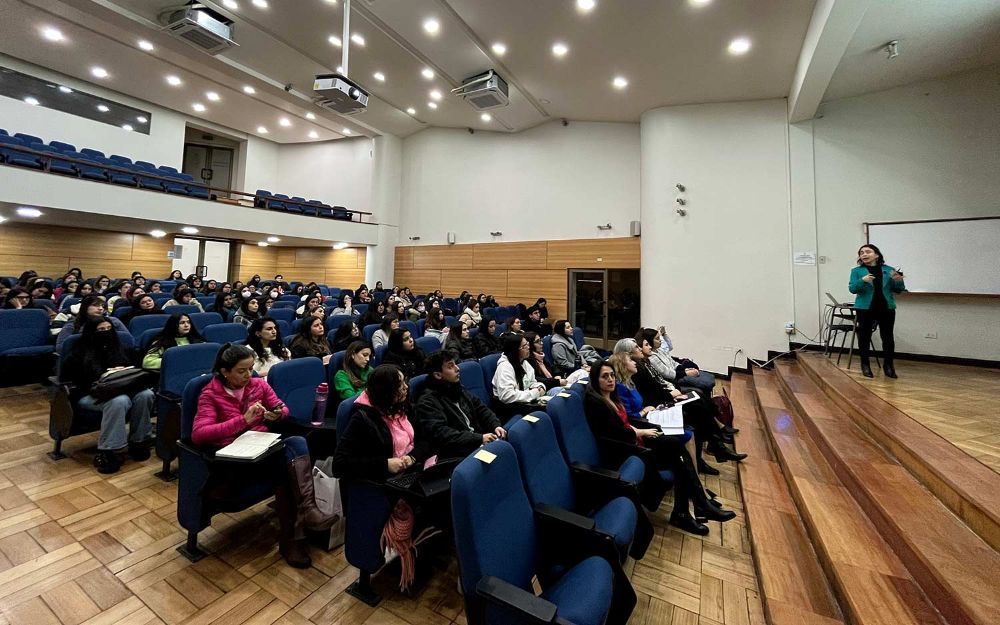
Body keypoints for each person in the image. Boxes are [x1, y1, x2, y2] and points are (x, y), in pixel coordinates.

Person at [192, 343, 335, 567]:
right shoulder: (210, 394)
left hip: (262, 449)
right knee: (289, 472)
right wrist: (243, 421)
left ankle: (303, 519)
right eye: (241, 371)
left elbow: (283, 408)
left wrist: (275, 414)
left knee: (295, 446)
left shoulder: (258, 385)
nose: (249, 375)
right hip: (234, 460)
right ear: (224, 371)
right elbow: (200, 434)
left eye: (250, 369)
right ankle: (296, 534)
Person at [583, 360, 735, 536]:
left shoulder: (612, 396)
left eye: (612, 375)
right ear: (596, 380)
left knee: (678, 451)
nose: (610, 380)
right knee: (677, 456)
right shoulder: (596, 403)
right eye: (604, 377)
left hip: (633, 441)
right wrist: (642, 432)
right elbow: (616, 434)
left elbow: (624, 424)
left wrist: (640, 431)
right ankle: (694, 507)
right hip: (625, 451)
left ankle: (692, 507)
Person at [331, 364, 438, 590]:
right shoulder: (363, 418)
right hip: (387, 483)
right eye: (400, 384)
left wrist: (412, 458)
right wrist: (384, 465)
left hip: (413, 470)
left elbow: (426, 440)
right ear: (386, 390)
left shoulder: (402, 406)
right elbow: (340, 465)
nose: (406, 387)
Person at [63, 317, 155, 474]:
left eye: (108, 329)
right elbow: (78, 381)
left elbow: (133, 371)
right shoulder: (79, 353)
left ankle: (139, 440)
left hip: (122, 390)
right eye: (101, 330)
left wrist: (120, 372)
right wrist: (103, 376)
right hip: (89, 394)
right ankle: (109, 450)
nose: (106, 333)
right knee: (120, 401)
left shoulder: (122, 348)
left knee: (145, 394)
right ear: (92, 332)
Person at [416, 351, 505, 460]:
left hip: (477, 443)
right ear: (438, 375)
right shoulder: (427, 402)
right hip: (458, 454)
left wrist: (495, 425)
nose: (457, 368)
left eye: (455, 364)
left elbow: (480, 408)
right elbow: (443, 434)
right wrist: (479, 438)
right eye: (450, 367)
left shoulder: (456, 388)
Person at [849, 243, 906, 378]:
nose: (864, 254)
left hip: (886, 308)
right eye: (861, 252)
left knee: (887, 338)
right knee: (864, 337)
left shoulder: (889, 269)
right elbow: (852, 289)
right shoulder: (856, 271)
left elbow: (899, 289)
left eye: (868, 251)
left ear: (877, 255)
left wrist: (898, 280)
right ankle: (865, 365)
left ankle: (889, 365)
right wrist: (862, 280)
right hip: (865, 308)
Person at [638, 327, 717, 397]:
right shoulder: (652, 357)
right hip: (674, 378)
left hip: (678, 372)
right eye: (657, 339)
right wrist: (686, 373)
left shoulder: (659, 350)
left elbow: (673, 362)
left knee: (709, 377)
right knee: (707, 382)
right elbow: (667, 374)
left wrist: (685, 369)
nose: (660, 341)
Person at [492, 334, 549, 420]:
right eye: (524, 346)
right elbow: (507, 396)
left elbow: (532, 382)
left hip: (523, 403)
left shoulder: (523, 362)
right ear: (515, 350)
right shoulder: (505, 367)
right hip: (508, 410)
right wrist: (534, 393)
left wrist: (540, 386)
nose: (528, 348)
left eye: (528, 344)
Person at [56, 295, 128, 351]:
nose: (100, 308)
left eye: (102, 306)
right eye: (96, 305)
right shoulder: (72, 325)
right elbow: (61, 348)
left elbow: (127, 339)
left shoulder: (113, 321)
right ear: (85, 307)